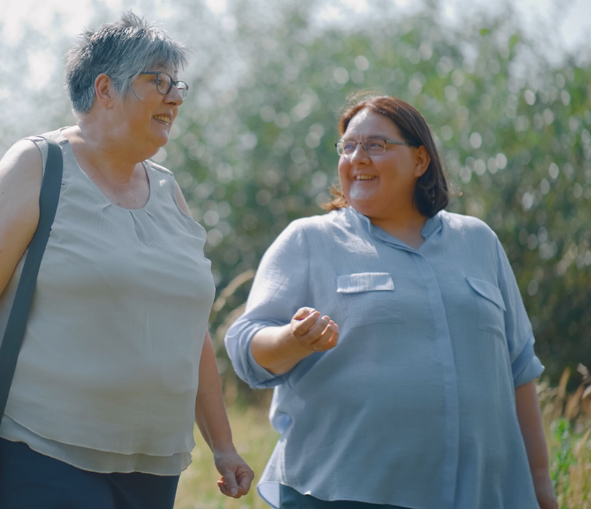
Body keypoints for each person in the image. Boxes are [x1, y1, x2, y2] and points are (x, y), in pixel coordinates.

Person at [0, 12, 254, 509]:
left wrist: (223, 445)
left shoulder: (170, 190)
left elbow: (188, 331)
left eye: (178, 85)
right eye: (159, 82)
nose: (175, 97)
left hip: (153, 465)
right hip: (41, 453)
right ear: (106, 88)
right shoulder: (38, 164)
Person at [225, 95, 556, 509]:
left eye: (375, 146)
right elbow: (245, 348)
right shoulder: (309, 240)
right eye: (348, 146)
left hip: (482, 496)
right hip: (342, 494)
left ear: (420, 161)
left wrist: (540, 487)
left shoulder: (479, 242)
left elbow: (519, 370)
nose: (357, 157)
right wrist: (294, 340)